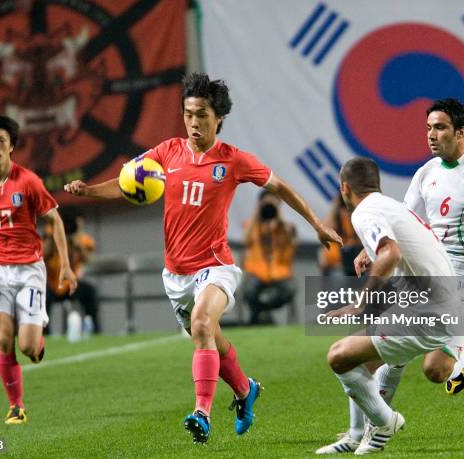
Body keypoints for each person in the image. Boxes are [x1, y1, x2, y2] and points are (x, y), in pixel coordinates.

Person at [64, 73, 342, 444]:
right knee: (212, 338)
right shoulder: (167, 152)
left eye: (203, 116)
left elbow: (281, 188)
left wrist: (317, 224)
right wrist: (89, 191)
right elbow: (127, 181)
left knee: (200, 325)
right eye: (189, 114)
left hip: (216, 267)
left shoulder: (234, 160)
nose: (194, 123)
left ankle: (202, 413)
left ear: (219, 118)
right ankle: (245, 391)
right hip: (175, 274)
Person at [323, 99, 464, 454]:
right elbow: (406, 221)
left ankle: (461, 349)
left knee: (435, 370)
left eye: (440, 127)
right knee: (378, 353)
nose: (431, 135)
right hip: (424, 275)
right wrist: (371, 251)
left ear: (460, 132)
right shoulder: (426, 174)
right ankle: (369, 430)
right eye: (429, 127)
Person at [317, 157, 459, 455]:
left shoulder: (364, 212)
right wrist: (372, 254)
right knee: (362, 362)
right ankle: (356, 434)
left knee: (339, 357)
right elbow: (400, 247)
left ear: (345, 188)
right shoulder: (390, 205)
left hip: (429, 311)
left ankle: (385, 422)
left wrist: (358, 303)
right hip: (441, 303)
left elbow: (391, 252)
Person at [0, 113, 77, 424]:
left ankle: (36, 345)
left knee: (27, 347)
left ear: (12, 147)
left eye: (1, 141)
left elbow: (56, 221)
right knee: (4, 337)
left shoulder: (29, 182)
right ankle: (16, 406)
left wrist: (64, 265)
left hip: (29, 271)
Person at [242, 189, 297, 325]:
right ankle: (264, 317)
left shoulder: (286, 227)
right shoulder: (252, 224)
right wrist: (257, 212)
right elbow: (246, 241)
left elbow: (292, 241)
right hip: (257, 274)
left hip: (281, 275)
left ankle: (261, 315)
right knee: (248, 289)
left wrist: (278, 214)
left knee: (289, 288)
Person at [44, 209, 100, 333]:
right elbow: (43, 255)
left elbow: (87, 258)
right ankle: (45, 332)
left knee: (90, 291)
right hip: (52, 284)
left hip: (71, 284)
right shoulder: (51, 233)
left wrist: (77, 245)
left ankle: (94, 329)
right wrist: (55, 238)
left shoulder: (80, 239)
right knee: (41, 297)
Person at [318, 194, 363, 277]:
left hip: (353, 257)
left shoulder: (358, 215)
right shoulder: (337, 214)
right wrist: (335, 206)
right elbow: (324, 229)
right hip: (337, 260)